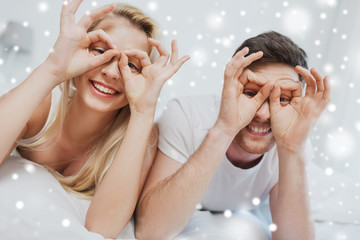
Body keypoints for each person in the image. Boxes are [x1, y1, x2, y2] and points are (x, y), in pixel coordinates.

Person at [0, 0, 189, 238]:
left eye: (130, 66)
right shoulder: (44, 103)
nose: (111, 72)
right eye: (100, 51)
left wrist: (143, 111)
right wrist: (53, 68)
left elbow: (103, 229)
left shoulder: (142, 133)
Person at [135, 31, 331, 240]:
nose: (263, 114)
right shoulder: (187, 115)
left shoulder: (294, 141)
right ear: (229, 88)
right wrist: (224, 129)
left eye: (282, 99)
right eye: (250, 93)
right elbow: (150, 231)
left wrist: (291, 150)